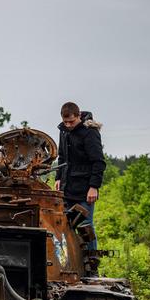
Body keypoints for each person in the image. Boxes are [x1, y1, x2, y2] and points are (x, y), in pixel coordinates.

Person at [54, 102, 106, 252]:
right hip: (66, 189)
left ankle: (91, 264)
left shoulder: (90, 132)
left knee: (85, 228)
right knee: (61, 227)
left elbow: (98, 162)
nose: (69, 125)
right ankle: (67, 265)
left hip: (85, 190)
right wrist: (58, 178)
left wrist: (94, 187)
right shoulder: (63, 131)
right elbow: (62, 157)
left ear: (78, 116)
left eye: (72, 121)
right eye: (66, 122)